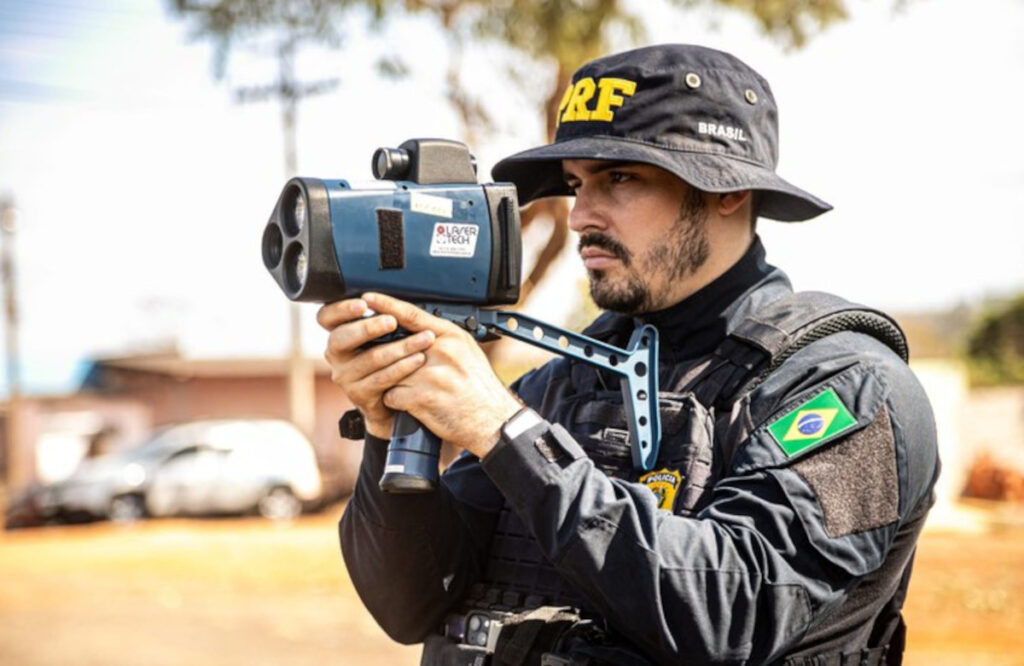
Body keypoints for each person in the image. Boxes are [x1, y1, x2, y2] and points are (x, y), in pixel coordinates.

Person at [318, 44, 940, 666]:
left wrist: (504, 433)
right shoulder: (558, 386)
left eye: (619, 178)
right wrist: (386, 430)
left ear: (727, 191)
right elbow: (410, 605)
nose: (581, 215)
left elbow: (730, 615)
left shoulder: (851, 388)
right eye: (575, 185)